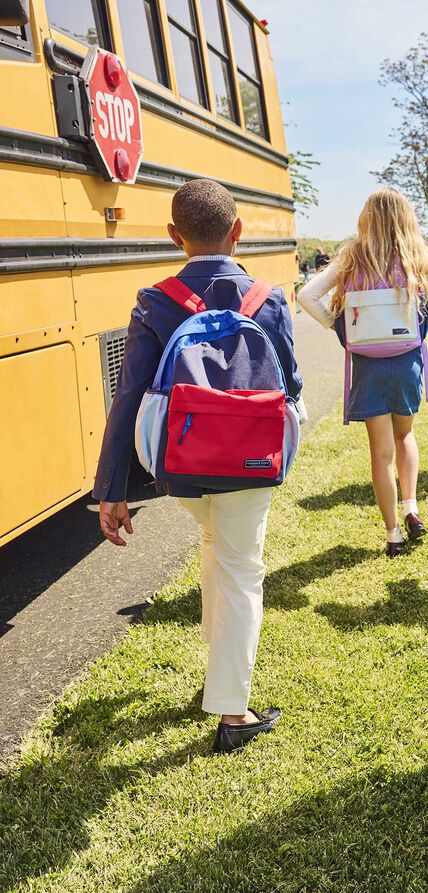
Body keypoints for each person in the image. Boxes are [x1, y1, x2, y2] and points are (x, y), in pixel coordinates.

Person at [93, 178, 302, 755]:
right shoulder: (267, 299)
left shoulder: (155, 301)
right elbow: (292, 382)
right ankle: (234, 714)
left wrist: (112, 488)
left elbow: (129, 395)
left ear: (173, 236)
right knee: (239, 568)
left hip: (180, 469)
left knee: (215, 542)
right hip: (251, 463)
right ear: (237, 232)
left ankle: (218, 672)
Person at [298, 188, 428, 557]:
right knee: (405, 437)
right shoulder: (415, 256)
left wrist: (339, 326)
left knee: (380, 453)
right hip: (406, 362)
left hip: (367, 365)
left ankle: (393, 533)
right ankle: (412, 507)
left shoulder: (353, 256)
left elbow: (306, 295)